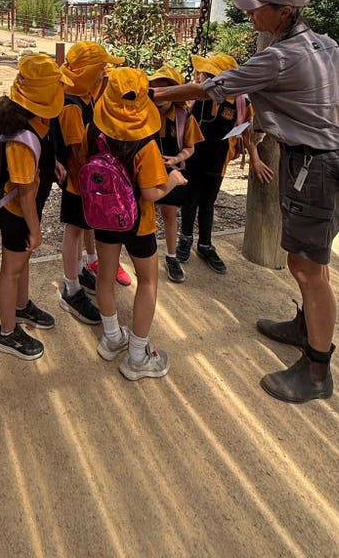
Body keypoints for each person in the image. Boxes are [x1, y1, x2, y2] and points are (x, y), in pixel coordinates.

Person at [153, 0, 339, 403]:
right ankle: (305, 328)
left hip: (316, 168)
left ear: (284, 12)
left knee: (308, 267)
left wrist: (155, 94)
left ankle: (318, 369)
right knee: (309, 259)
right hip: (336, 160)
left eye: (258, 6)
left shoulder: (280, 57)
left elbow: (214, 87)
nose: (250, 12)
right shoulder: (327, 45)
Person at [88, 67, 185, 380]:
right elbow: (150, 192)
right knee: (147, 281)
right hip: (138, 222)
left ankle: (112, 337)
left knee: (105, 275)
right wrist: (171, 181)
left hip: (104, 217)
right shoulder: (145, 142)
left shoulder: (94, 130)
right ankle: (138, 356)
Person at [0, 54, 67, 360]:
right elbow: (24, 194)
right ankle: (6, 333)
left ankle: (22, 307)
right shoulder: (21, 138)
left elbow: (40, 156)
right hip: (17, 215)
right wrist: (36, 232)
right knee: (11, 270)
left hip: (26, 208)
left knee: (22, 263)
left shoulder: (35, 119)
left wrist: (54, 165)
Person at [55, 42, 127, 325]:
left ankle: (82, 269)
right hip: (77, 183)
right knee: (73, 232)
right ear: (86, 72)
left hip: (84, 182)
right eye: (99, 69)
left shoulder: (82, 95)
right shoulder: (72, 107)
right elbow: (78, 152)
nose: (102, 74)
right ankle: (70, 288)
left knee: (83, 226)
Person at [174, 53, 253, 276]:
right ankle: (185, 239)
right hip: (194, 158)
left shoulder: (240, 102)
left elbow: (246, 129)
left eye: (209, 75)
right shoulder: (196, 98)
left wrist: (249, 154)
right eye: (204, 74)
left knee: (208, 203)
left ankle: (205, 244)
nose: (203, 78)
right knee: (190, 201)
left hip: (217, 161)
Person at [148, 65, 204, 283]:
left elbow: (190, 147)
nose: (160, 96)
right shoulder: (143, 111)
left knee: (169, 214)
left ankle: (171, 257)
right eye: (155, 89)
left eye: (166, 90)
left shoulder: (183, 116)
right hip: (146, 170)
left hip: (173, 171)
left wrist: (177, 159)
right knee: (145, 213)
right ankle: (146, 254)